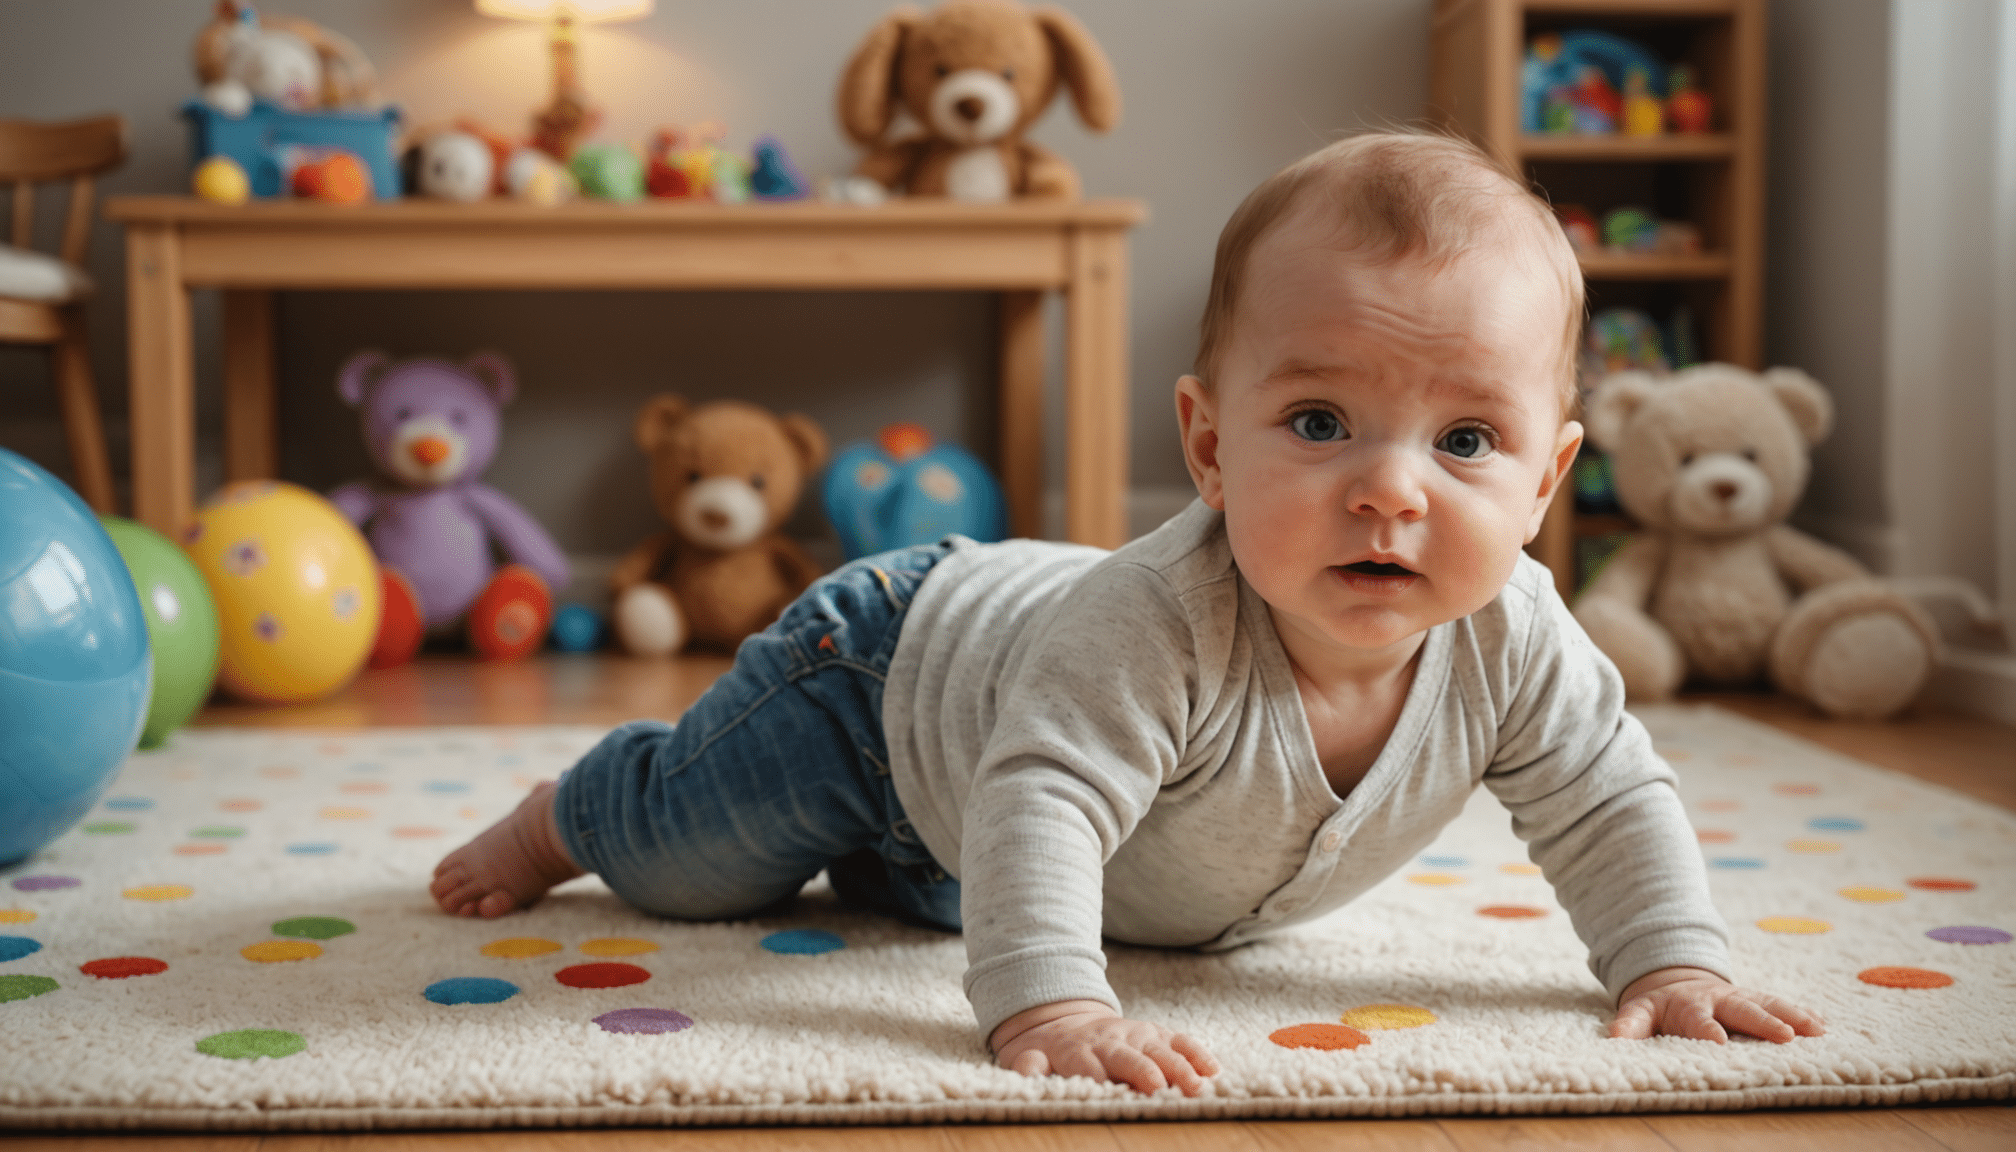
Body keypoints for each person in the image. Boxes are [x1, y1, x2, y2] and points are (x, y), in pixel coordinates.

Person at [430, 130, 1826, 1096]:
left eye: (1466, 442)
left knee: (941, 890)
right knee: (694, 868)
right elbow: (1038, 801)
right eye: (1321, 422)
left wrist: (1672, 960)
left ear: (1547, 483)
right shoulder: (1164, 620)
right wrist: (1049, 1003)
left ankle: (894, 867)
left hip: (979, 831)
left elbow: (1608, 801)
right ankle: (577, 810)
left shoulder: (1516, 642)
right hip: (881, 683)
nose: (1389, 491)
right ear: (1209, 446)